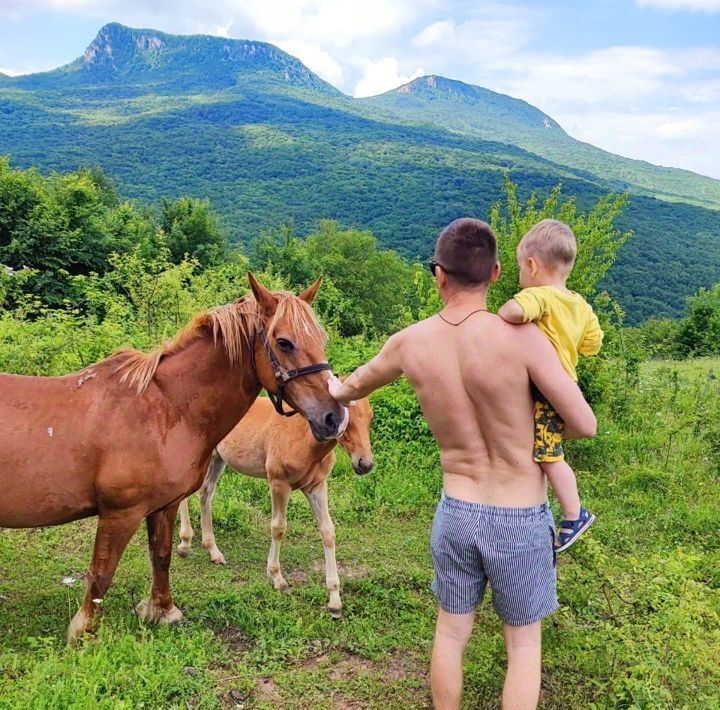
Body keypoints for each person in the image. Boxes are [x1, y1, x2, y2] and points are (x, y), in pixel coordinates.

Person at [327, 218, 596, 710]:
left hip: (457, 511)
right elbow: (585, 423)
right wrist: (543, 436)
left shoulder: (409, 343)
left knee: (451, 635)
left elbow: (348, 389)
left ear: (439, 275)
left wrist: (327, 389)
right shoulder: (524, 338)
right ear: (496, 274)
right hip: (519, 515)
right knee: (523, 644)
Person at [498, 219, 602, 552]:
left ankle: (574, 513)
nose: (519, 275)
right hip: (567, 383)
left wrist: (502, 314)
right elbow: (592, 344)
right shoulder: (580, 305)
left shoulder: (539, 296)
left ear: (532, 265)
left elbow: (513, 312)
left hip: (545, 391)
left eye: (519, 268)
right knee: (543, 445)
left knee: (548, 454)